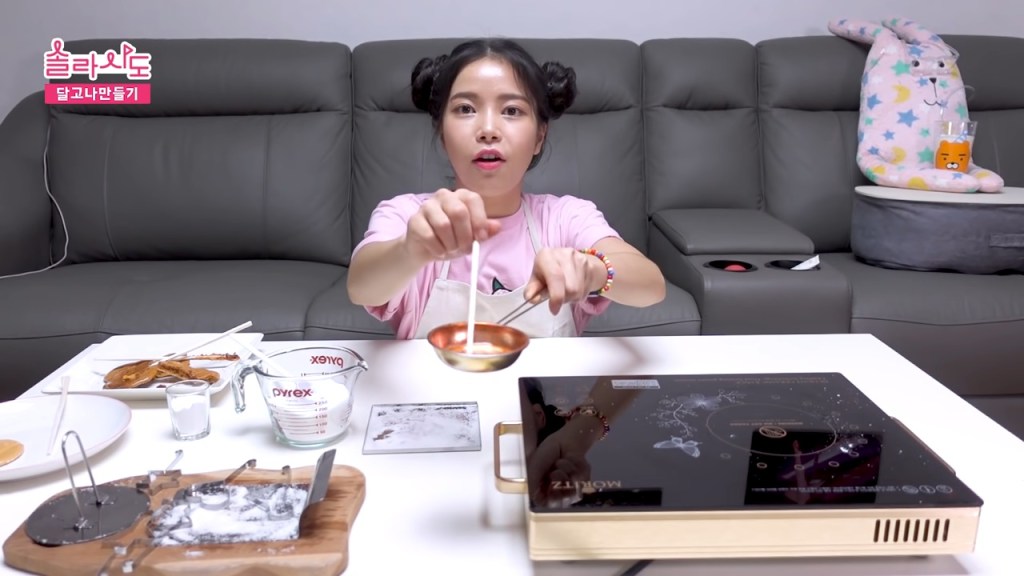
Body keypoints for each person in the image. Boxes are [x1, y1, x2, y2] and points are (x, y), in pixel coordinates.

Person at [347, 38, 666, 339]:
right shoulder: (408, 215)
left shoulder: (565, 217)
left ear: (540, 136)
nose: (488, 130)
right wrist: (410, 249)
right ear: (442, 133)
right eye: (465, 109)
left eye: (512, 110)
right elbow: (361, 287)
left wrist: (593, 270)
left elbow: (651, 286)